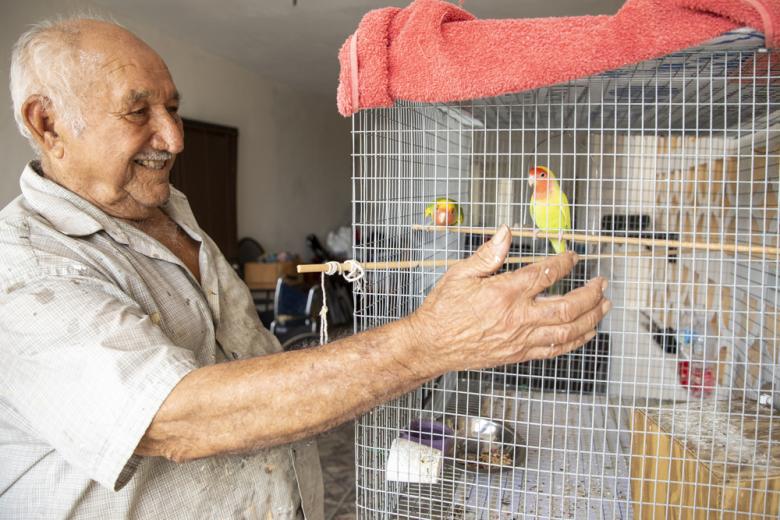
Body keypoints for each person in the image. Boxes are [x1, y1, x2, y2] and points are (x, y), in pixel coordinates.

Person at [0, 16, 611, 520]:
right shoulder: (24, 269)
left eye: (173, 107)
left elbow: (251, 364)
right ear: (46, 123)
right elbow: (173, 419)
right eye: (138, 112)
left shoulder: (171, 215)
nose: (175, 137)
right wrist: (431, 341)